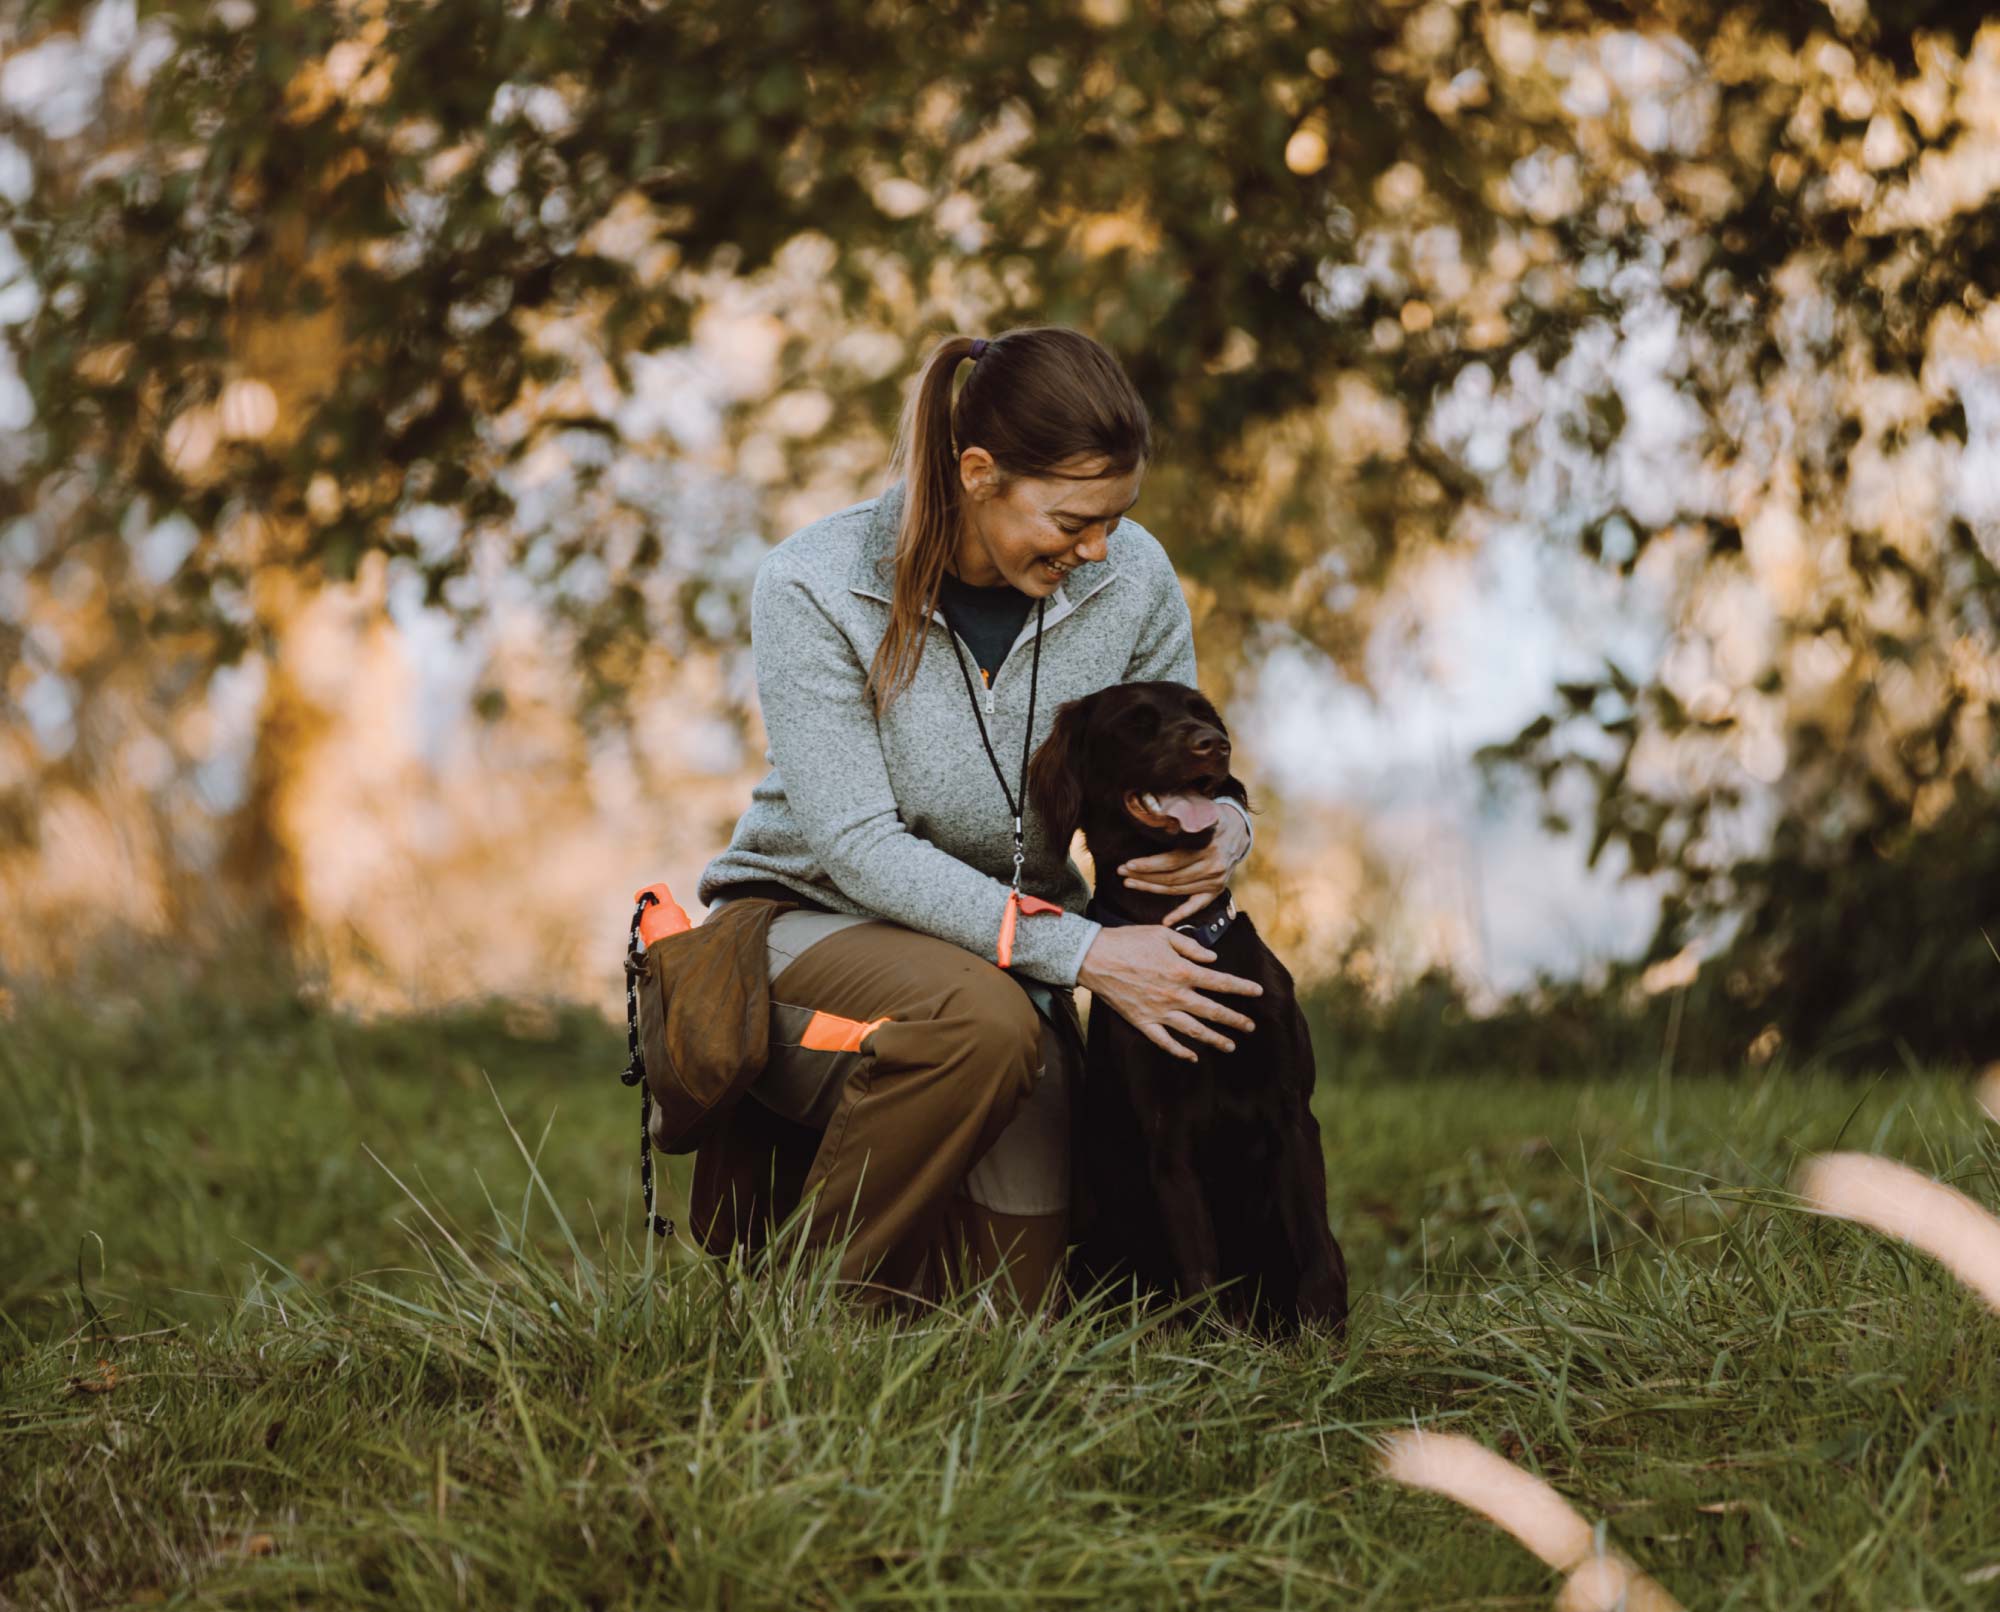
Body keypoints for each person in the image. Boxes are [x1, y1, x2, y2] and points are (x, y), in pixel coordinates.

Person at [693, 324, 1264, 1313]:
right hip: (805, 929)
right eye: (1072, 519)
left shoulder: (1131, 581)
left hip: (1015, 968)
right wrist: (1083, 954)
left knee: (1014, 1311)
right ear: (977, 470)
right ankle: (796, 1325)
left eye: (1113, 521)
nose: (1094, 550)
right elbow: (857, 847)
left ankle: (889, 1283)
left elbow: (1179, 752)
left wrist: (1226, 834)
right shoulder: (814, 584)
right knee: (981, 1023)